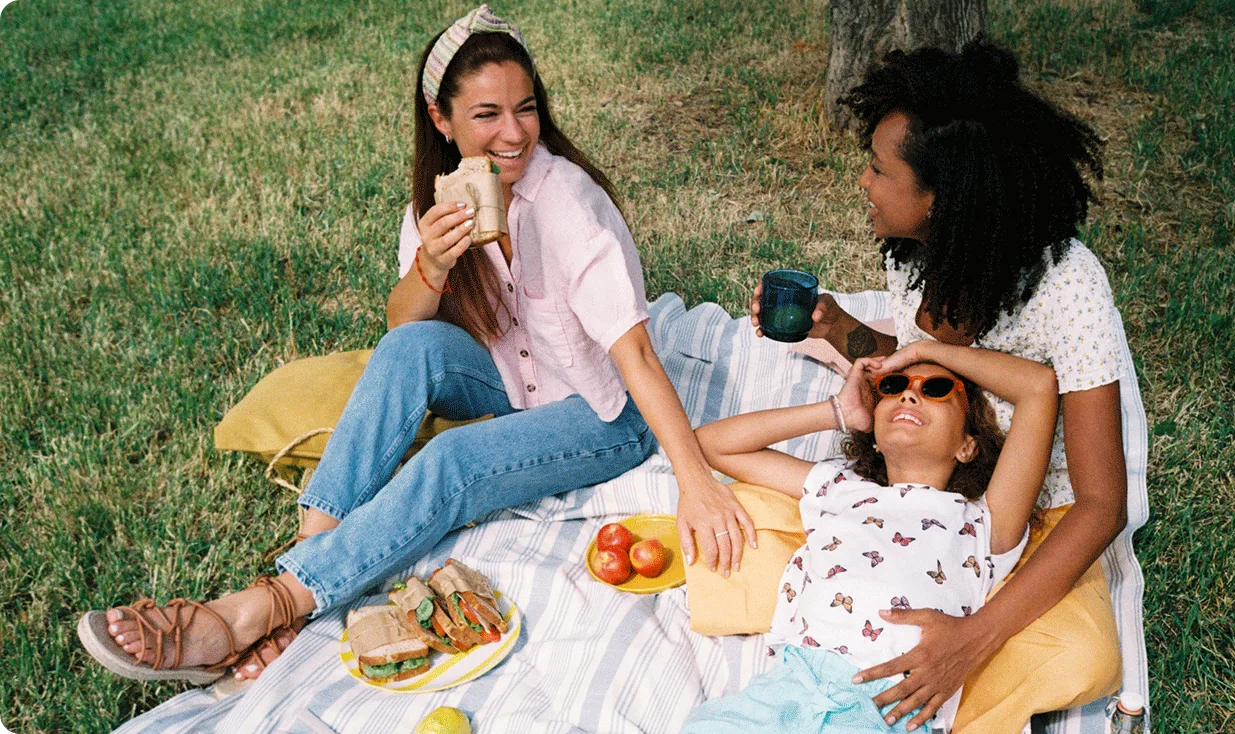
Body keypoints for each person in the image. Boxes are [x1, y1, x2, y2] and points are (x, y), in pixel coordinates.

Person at [77, 4, 753, 686]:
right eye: (487, 114)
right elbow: (404, 330)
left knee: (452, 458)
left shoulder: (567, 203)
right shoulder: (444, 201)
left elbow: (634, 354)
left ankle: (265, 607)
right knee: (410, 351)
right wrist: (430, 264)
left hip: (605, 414)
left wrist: (695, 480)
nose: (514, 133)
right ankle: (311, 557)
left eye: (526, 108)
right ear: (442, 119)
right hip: (514, 385)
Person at [748, 41, 1126, 732]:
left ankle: (936, 693)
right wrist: (841, 331)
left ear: (941, 197)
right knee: (744, 525)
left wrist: (974, 638)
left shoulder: (1069, 284)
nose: (863, 182)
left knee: (1081, 654)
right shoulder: (921, 254)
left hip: (1028, 508)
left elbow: (1102, 505)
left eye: (877, 168)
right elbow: (916, 362)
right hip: (925, 488)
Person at [682, 342, 1057, 733]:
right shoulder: (839, 487)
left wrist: (924, 350)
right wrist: (838, 411)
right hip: (789, 685)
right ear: (874, 436)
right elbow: (710, 445)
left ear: (967, 446)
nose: (909, 393)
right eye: (893, 386)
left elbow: (1038, 387)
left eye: (937, 389)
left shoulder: (982, 521)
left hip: (887, 706)